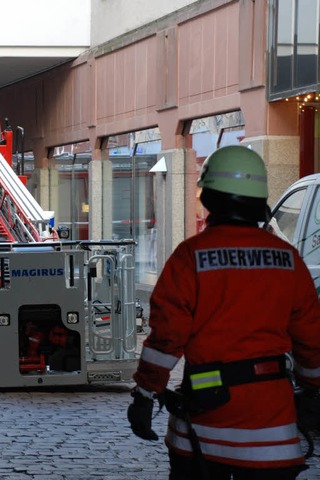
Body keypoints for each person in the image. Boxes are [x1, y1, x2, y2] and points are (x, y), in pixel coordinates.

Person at [127, 145, 320, 480]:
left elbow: (166, 339)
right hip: (273, 435)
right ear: (260, 202)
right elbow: (312, 341)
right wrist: (312, 389)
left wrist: (145, 394)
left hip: (203, 431)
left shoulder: (191, 257)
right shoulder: (288, 259)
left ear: (209, 198)